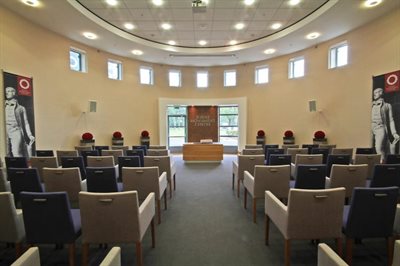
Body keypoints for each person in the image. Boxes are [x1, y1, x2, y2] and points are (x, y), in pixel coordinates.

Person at [5, 86, 35, 157]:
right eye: (6, 91)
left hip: (15, 130)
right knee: (6, 153)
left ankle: (21, 167)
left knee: (16, 152)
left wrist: (30, 135)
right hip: (4, 130)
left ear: (14, 93)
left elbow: (26, 122)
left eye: (10, 91)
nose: (7, 92)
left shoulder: (21, 108)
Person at [371, 87, 400, 161]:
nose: (374, 94)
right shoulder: (371, 105)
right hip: (371, 128)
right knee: (371, 150)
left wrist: (394, 133)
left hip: (380, 127)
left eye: (377, 92)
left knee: (379, 148)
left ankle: (382, 167)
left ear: (381, 93)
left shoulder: (387, 105)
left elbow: (391, 120)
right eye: (374, 93)